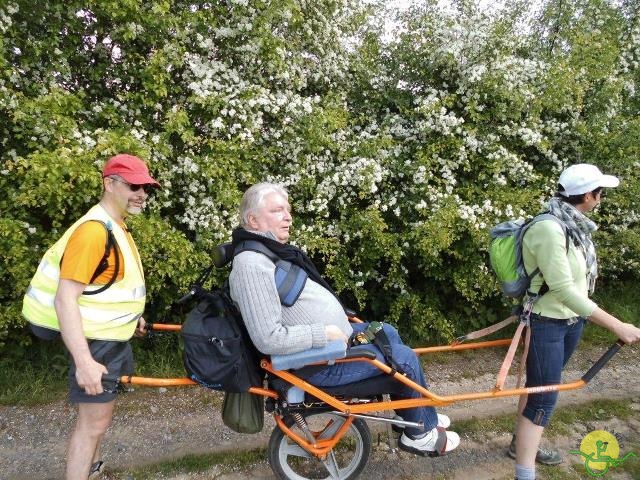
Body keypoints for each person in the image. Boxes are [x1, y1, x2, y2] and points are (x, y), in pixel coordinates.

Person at [228, 182, 460, 457]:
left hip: (327, 350)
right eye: (278, 210)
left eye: (287, 210)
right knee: (405, 360)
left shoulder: (263, 252)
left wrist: (339, 320)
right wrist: (323, 333)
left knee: (386, 331)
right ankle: (420, 436)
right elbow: (267, 338)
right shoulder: (251, 266)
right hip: (315, 365)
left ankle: (416, 416)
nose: (288, 217)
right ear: (253, 220)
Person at [22, 154, 160, 480]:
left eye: (146, 187)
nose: (142, 193)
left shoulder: (114, 225)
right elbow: (65, 299)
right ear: (109, 183)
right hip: (96, 346)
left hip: (109, 339)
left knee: (97, 422)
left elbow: (104, 288)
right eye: (133, 185)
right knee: (92, 424)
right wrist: (84, 362)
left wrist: (130, 319)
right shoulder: (94, 232)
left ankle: (94, 471)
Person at [510, 164, 640, 480]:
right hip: (546, 324)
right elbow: (564, 289)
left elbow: (577, 282)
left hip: (570, 323)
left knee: (538, 388)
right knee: (543, 399)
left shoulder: (575, 227)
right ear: (586, 195)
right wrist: (617, 325)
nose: (601, 199)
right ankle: (524, 473)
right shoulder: (550, 229)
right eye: (600, 193)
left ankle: (520, 444)